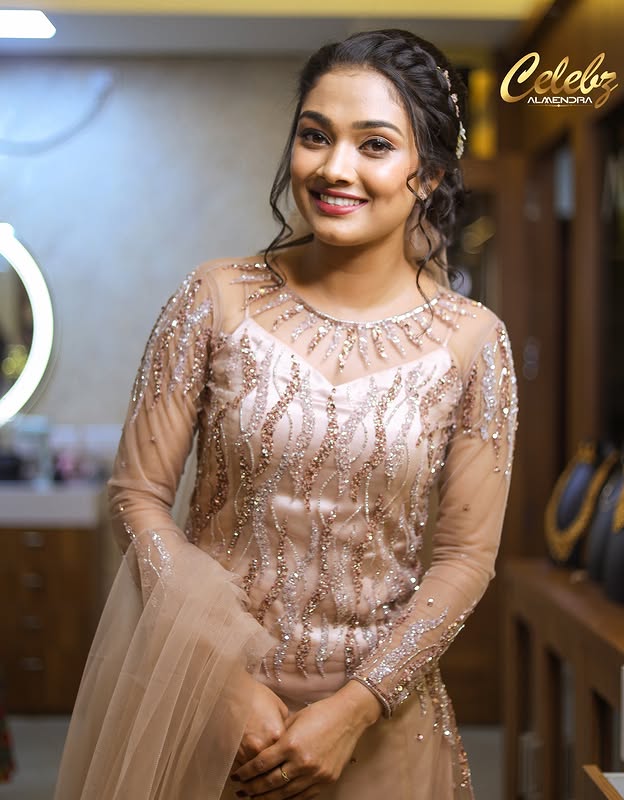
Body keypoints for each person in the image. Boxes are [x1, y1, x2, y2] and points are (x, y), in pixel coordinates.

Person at [54, 28, 518, 800]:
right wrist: (218, 682)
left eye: (375, 144)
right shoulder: (214, 298)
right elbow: (136, 498)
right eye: (315, 135)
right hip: (207, 710)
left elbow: (465, 557)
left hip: (378, 728)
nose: (335, 167)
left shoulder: (474, 342)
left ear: (429, 174)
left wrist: (355, 708)